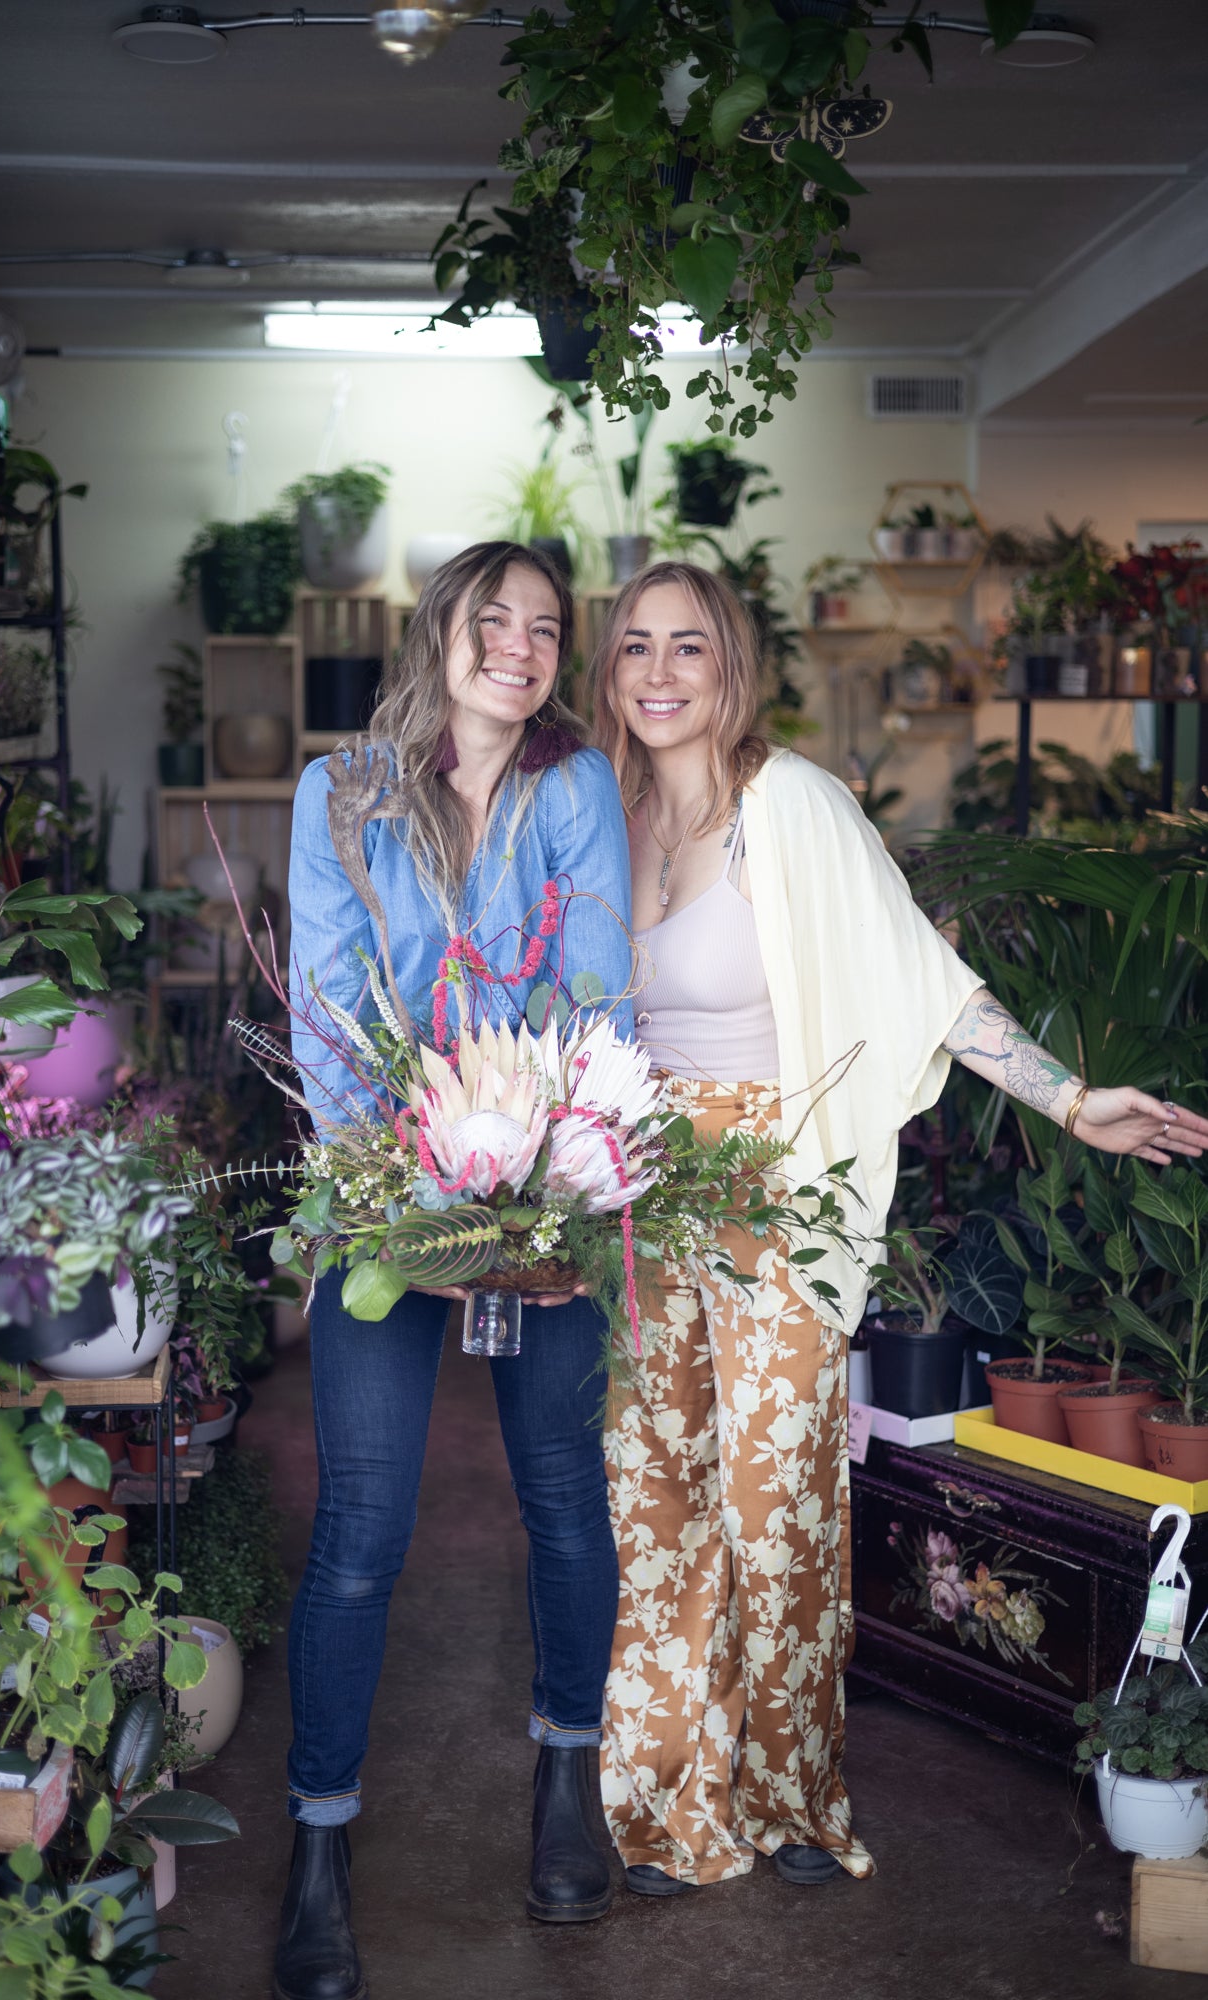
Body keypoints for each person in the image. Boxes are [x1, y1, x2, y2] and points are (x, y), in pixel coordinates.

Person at [585, 559, 1208, 1895]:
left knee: (773, 1505)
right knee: (654, 1504)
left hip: (773, 1193)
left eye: (686, 647)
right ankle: (661, 1797)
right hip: (635, 1201)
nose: (656, 673)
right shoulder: (605, 812)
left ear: (729, 666)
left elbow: (925, 981)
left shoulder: (790, 807)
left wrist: (1068, 1096)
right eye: (633, 646)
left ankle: (788, 1794)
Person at [275, 543, 633, 2000]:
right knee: (360, 1526)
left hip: (551, 1185)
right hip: (382, 1193)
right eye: (498, 619)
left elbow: (601, 993)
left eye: (548, 627)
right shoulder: (342, 793)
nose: (525, 645)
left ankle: (567, 1779)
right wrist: (416, 1205)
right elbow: (324, 1011)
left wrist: (538, 1204)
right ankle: (317, 1845)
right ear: (444, 631)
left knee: (562, 1498)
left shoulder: (578, 789)